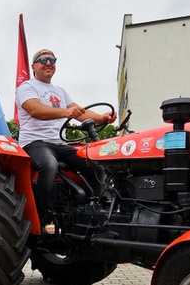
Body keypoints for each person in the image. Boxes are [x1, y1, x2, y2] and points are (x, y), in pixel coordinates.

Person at [16, 49, 116, 231]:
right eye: (43, 60)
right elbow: (35, 110)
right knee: (49, 165)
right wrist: (65, 112)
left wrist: (103, 118)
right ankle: (47, 216)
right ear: (34, 66)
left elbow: (81, 112)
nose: (48, 63)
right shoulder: (27, 87)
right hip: (34, 143)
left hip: (59, 144)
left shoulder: (60, 91)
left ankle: (92, 210)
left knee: (96, 166)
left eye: (52, 60)